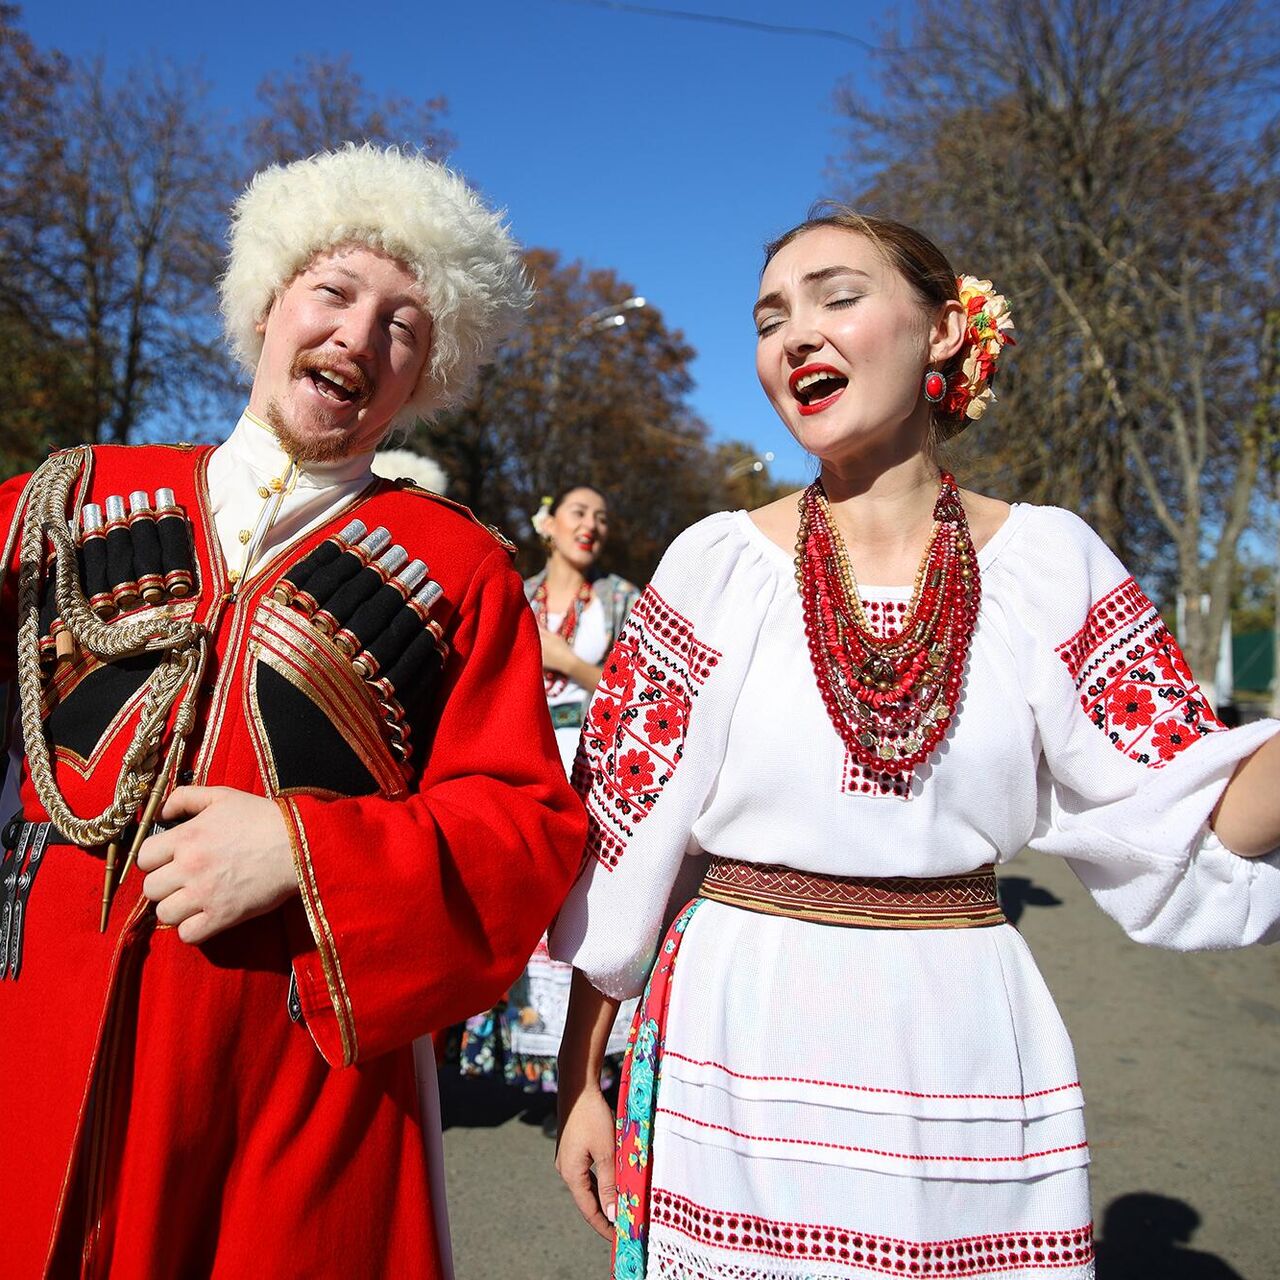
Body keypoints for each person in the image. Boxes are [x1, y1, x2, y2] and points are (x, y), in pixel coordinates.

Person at [550, 208, 1280, 1279]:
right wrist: (579, 1082)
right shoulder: (714, 567)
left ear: (941, 328)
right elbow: (619, 841)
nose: (794, 334)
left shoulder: (1049, 566)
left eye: (836, 295)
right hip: (738, 1036)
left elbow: (1190, 803)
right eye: (768, 317)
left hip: (961, 1047)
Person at [0, 144, 586, 1279]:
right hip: (38, 1041)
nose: (360, 337)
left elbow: (528, 829)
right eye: (334, 290)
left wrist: (305, 848)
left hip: (292, 1084)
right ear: (267, 303)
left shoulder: (458, 569)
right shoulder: (64, 501)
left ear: (425, 376)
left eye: (405, 325)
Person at [453, 486, 639, 1112]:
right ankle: (522, 1051)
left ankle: (588, 1063)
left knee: (585, 910)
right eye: (581, 513)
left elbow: (642, 690)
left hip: (595, 772)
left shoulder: (622, 600)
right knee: (519, 904)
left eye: (603, 516)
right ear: (549, 524)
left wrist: (574, 666)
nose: (593, 525)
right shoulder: (515, 592)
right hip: (523, 766)